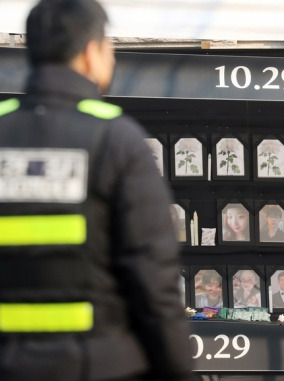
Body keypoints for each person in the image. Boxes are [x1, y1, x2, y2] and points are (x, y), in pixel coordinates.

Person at [0, 1, 193, 380]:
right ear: (91, 53)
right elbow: (153, 279)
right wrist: (178, 369)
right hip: (101, 365)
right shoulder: (117, 138)